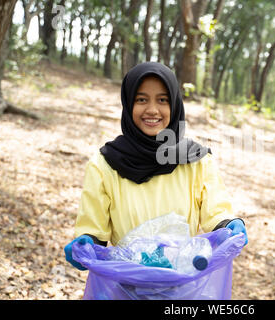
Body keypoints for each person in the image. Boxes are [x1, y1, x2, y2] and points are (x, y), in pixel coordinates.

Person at [64, 62, 247, 271]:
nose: (152, 110)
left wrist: (228, 226)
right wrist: (86, 245)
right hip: (126, 284)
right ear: (128, 103)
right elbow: (94, 231)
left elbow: (216, 212)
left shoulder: (197, 161)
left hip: (183, 286)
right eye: (141, 99)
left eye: (162, 100)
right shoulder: (105, 164)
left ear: (175, 104)